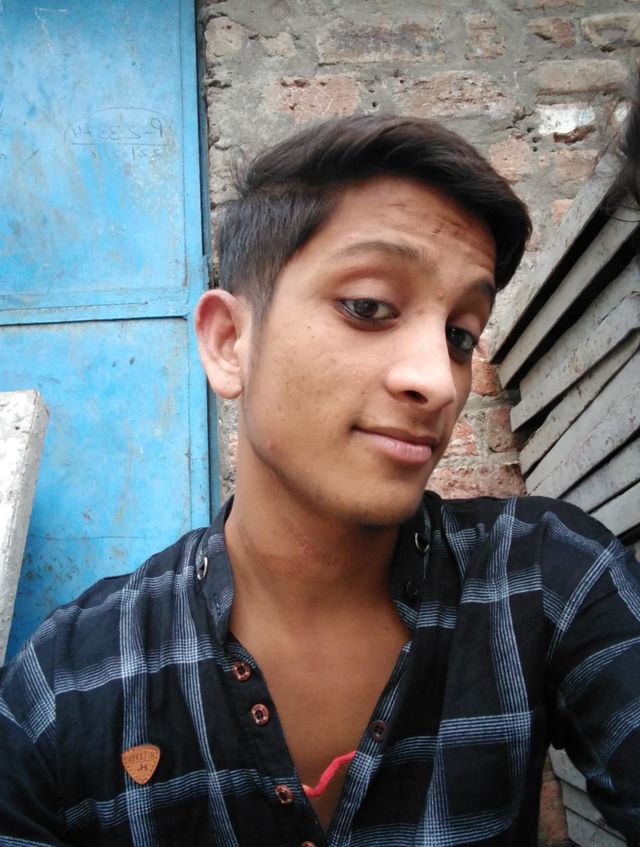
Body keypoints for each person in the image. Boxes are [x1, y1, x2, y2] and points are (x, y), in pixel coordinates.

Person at [1, 114, 639, 847]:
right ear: (229, 343)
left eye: (460, 335)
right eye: (368, 307)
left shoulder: (547, 579)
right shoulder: (67, 682)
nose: (438, 380)